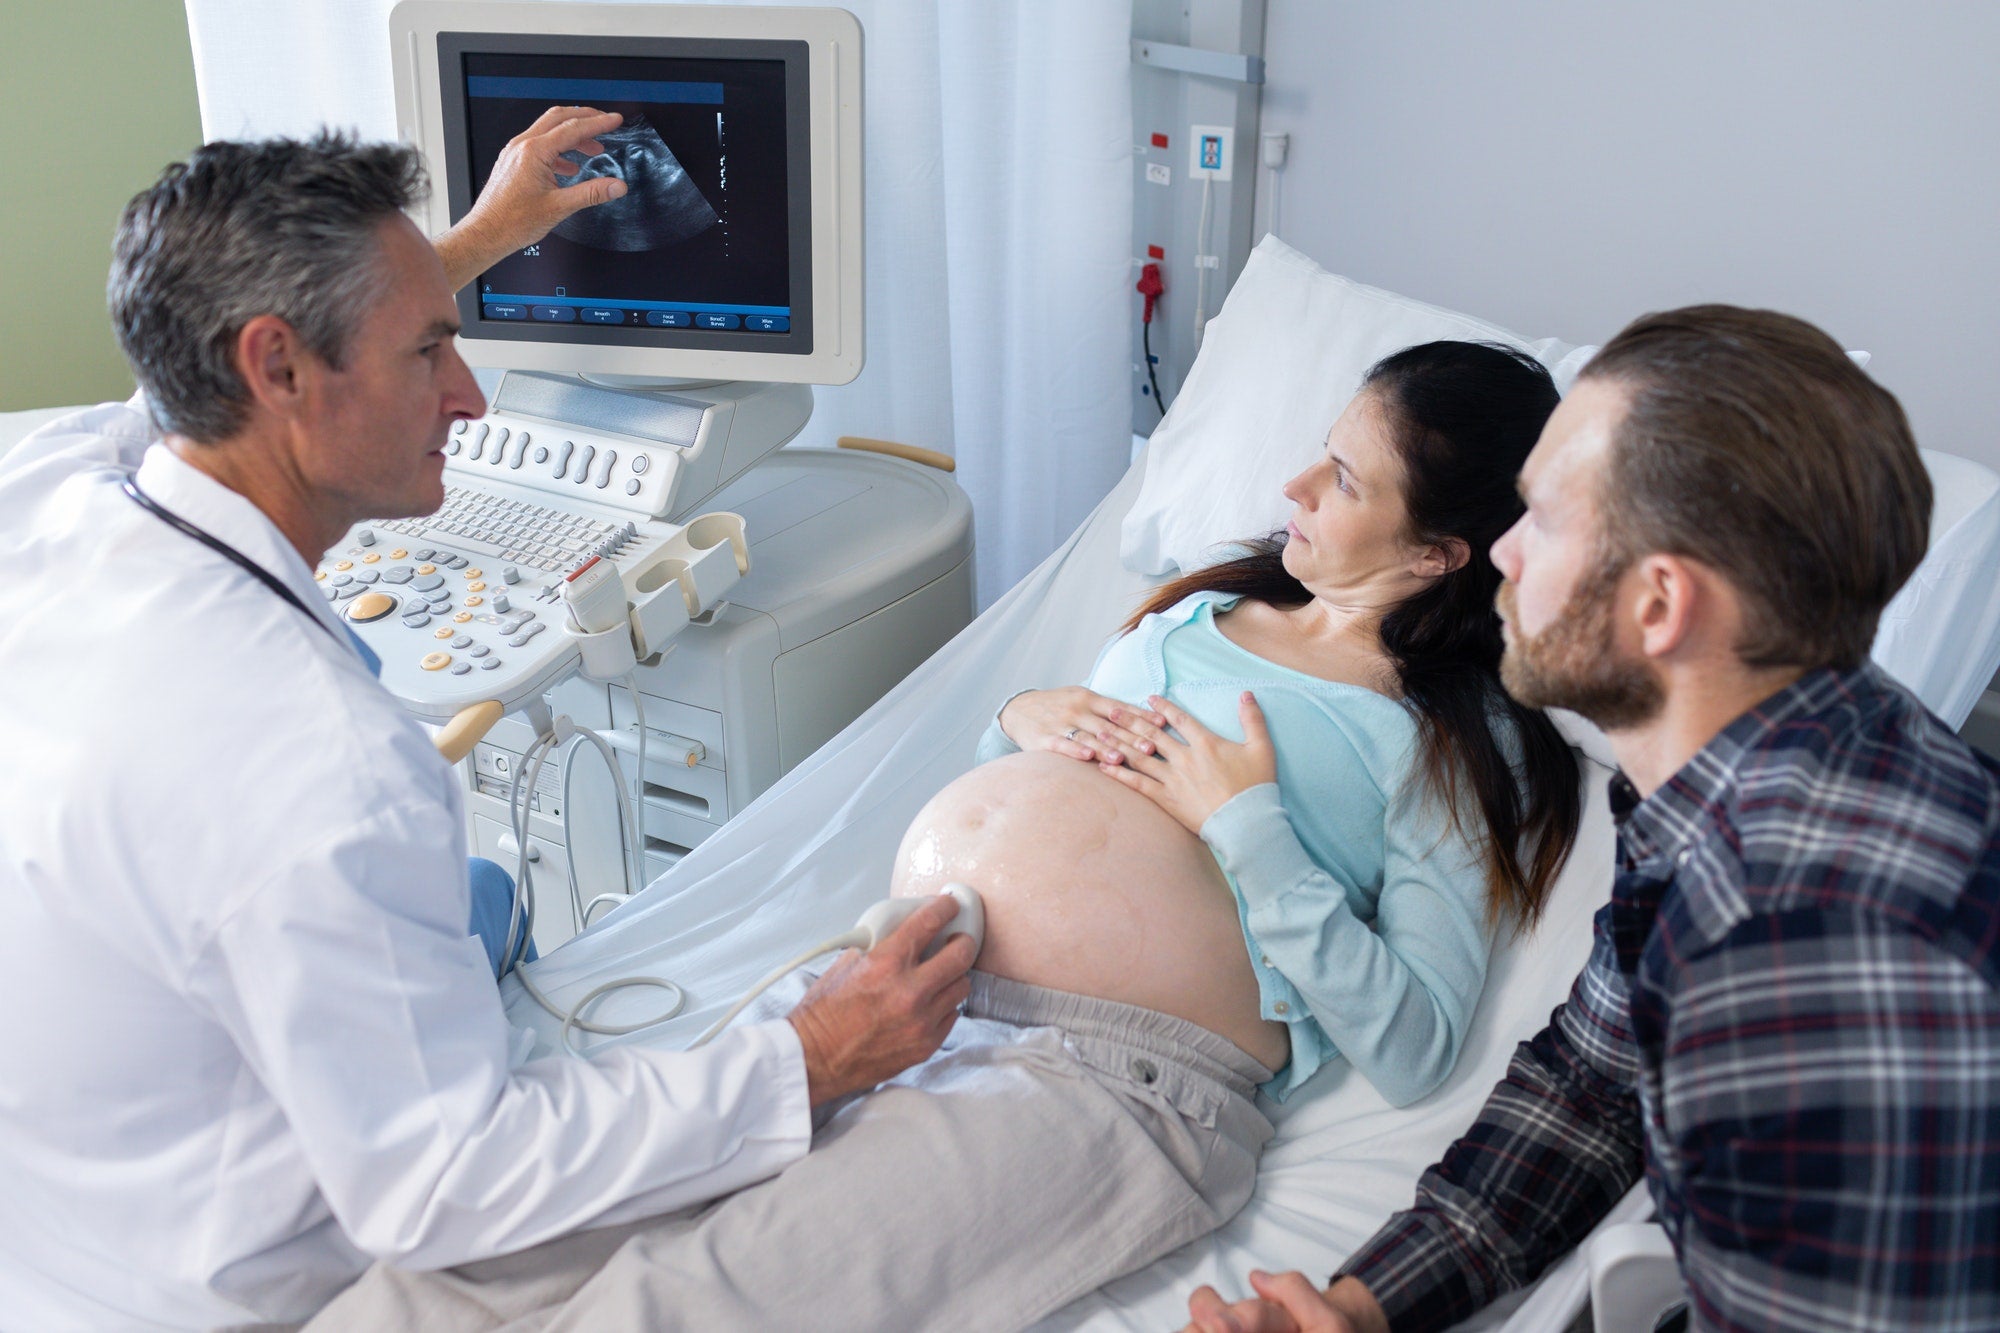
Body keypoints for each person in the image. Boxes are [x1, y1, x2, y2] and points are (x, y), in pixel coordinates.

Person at [301, 341, 1584, 1331]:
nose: (1291, 486)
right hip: (898, 981)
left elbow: (1413, 1045)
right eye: (1316, 449)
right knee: (526, 1228)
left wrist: (1246, 825)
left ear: (1434, 552)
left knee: (706, 1297)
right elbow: (1034, 803)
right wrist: (1019, 719)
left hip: (1106, 1081)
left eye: (1344, 479)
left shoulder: (1445, 746)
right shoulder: (1192, 617)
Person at [0, 124, 974, 1331]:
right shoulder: (325, 769)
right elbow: (444, 1183)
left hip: (45, 1229)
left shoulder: (46, 498)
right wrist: (815, 1054)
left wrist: (473, 245)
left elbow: (179, 401)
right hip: (213, 1293)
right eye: (427, 349)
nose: (465, 396)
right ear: (280, 367)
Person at [1182, 306, 2000, 1333]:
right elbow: (1590, 1091)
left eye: (1542, 520)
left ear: (1658, 607)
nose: (1504, 554)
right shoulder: (1762, 767)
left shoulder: (1801, 964)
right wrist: (1356, 1308)